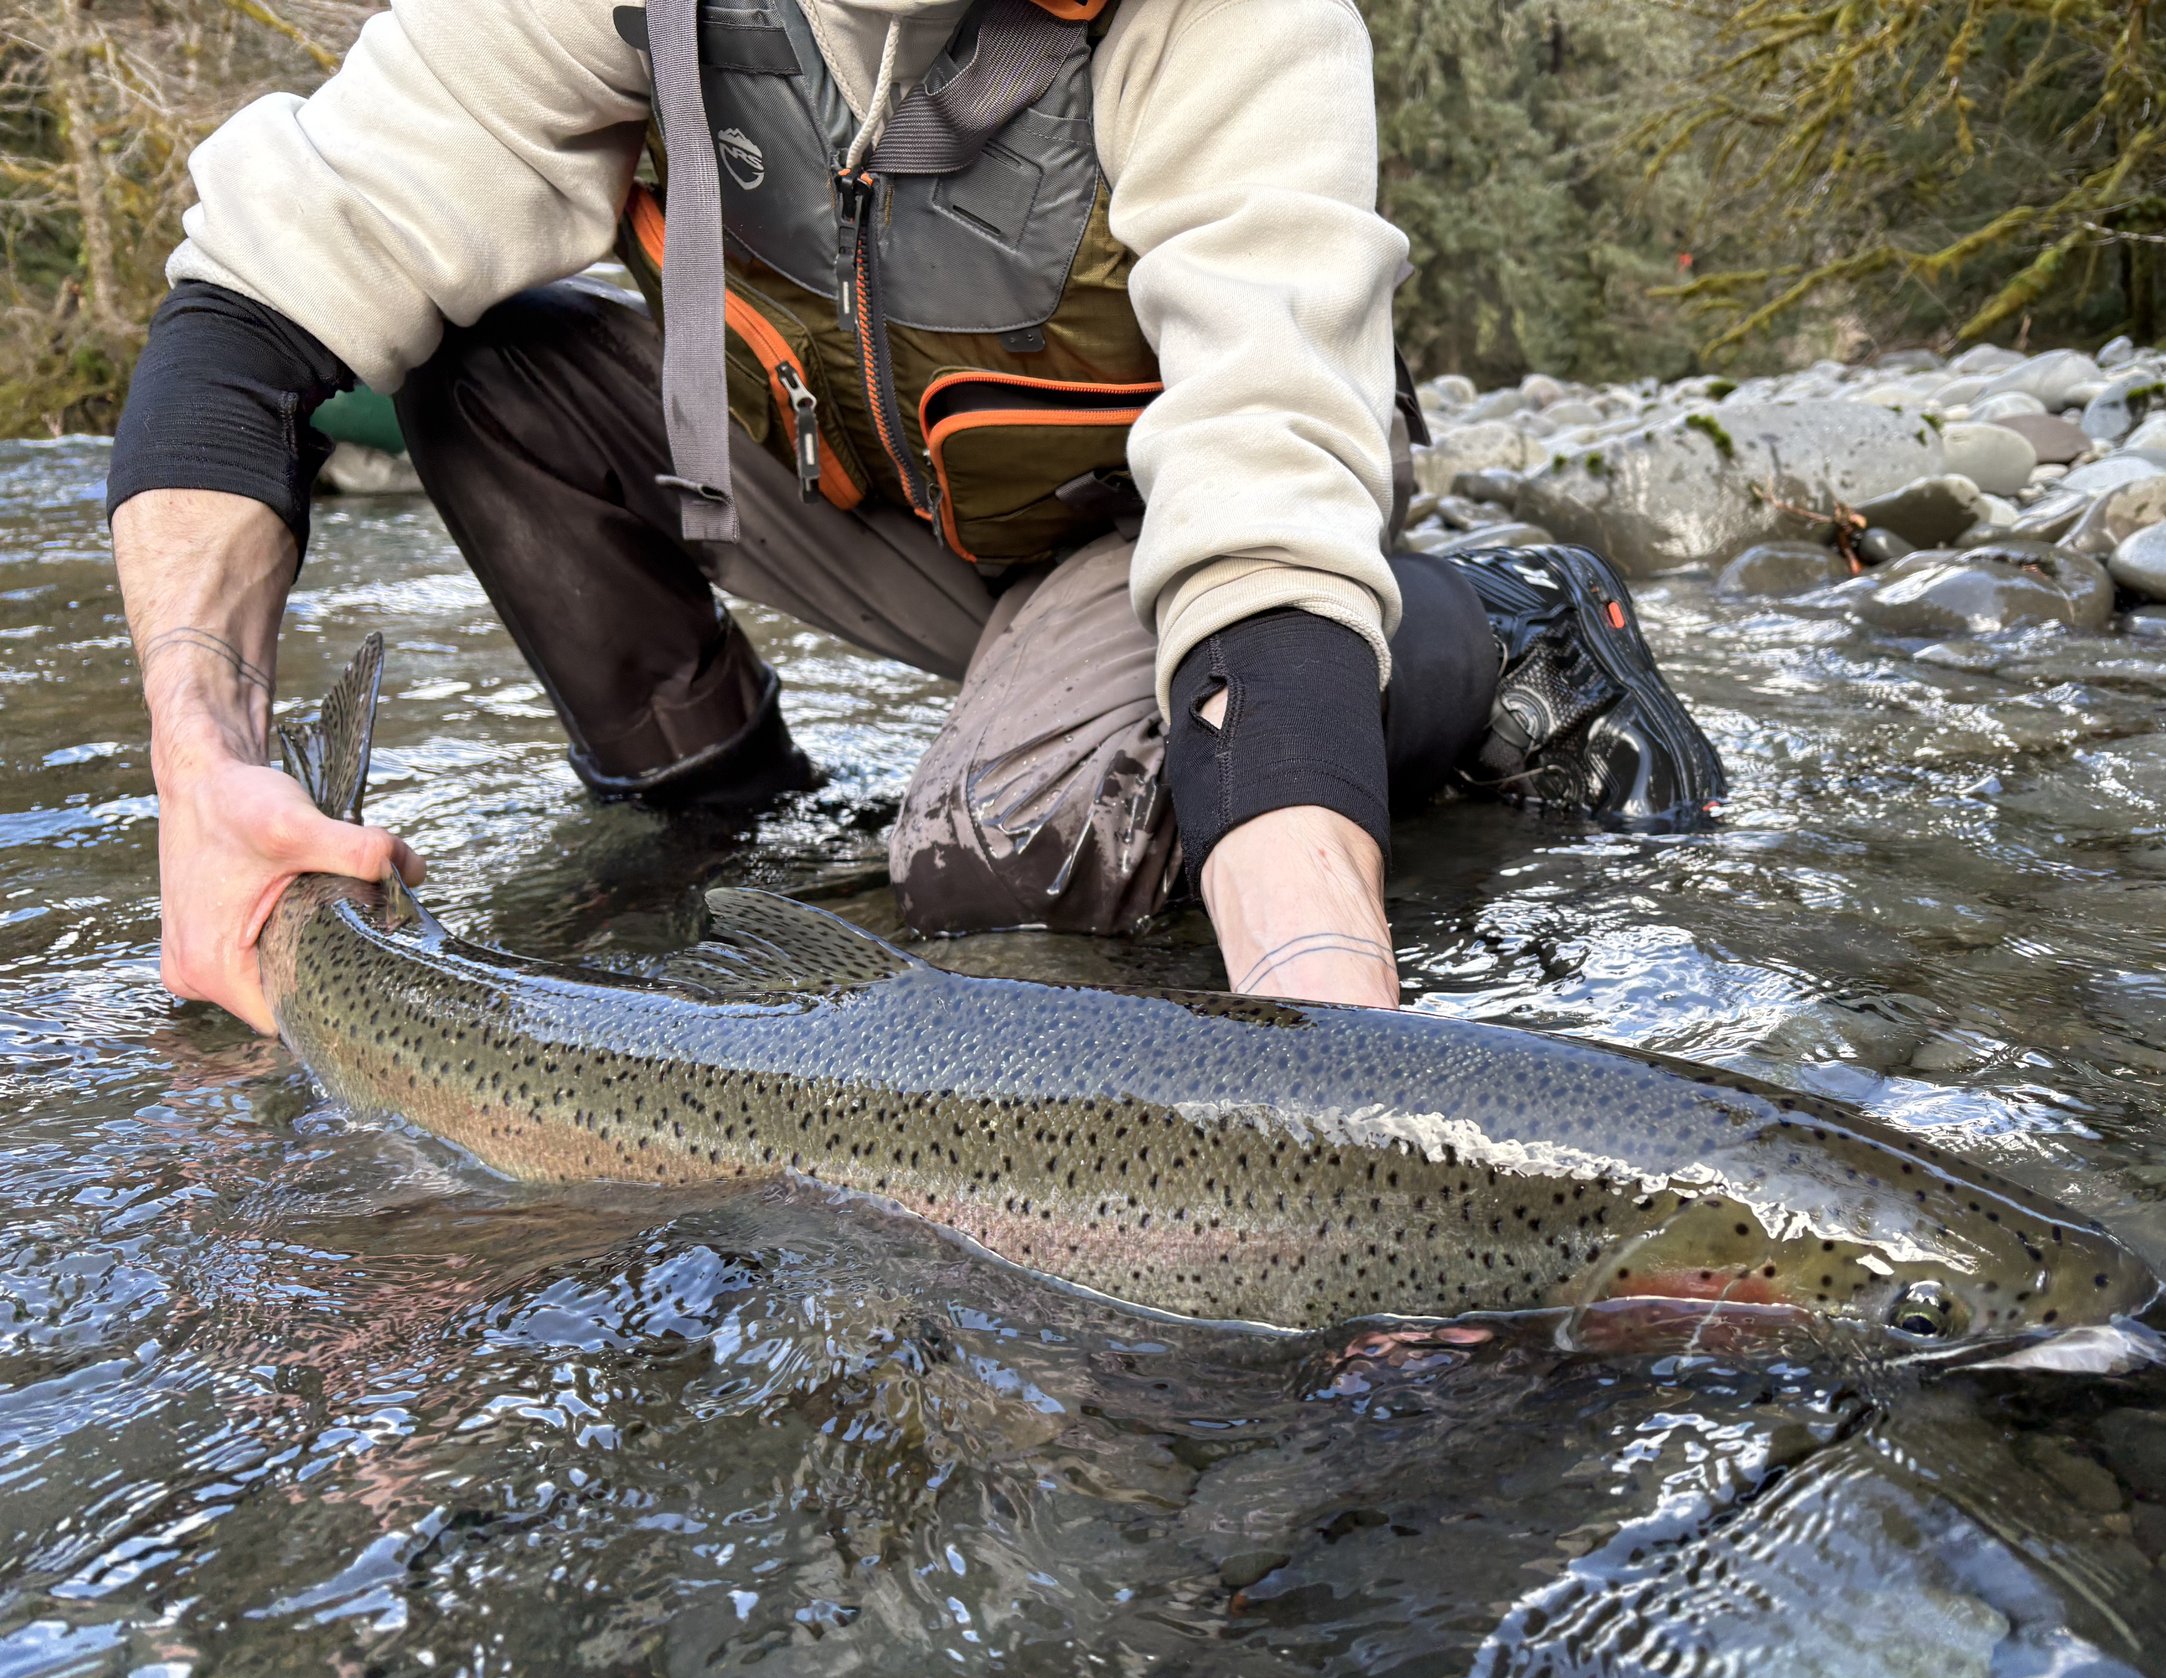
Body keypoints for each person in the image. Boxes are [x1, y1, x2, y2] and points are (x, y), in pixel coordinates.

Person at [109, 0, 1721, 1035]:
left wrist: (1327, 1040)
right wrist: (203, 756)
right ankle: (719, 834)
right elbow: (249, 311)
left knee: (1003, 854)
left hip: (1160, 540)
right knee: (483, 370)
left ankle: (1503, 619)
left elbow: (1263, 528)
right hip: (863, 501)